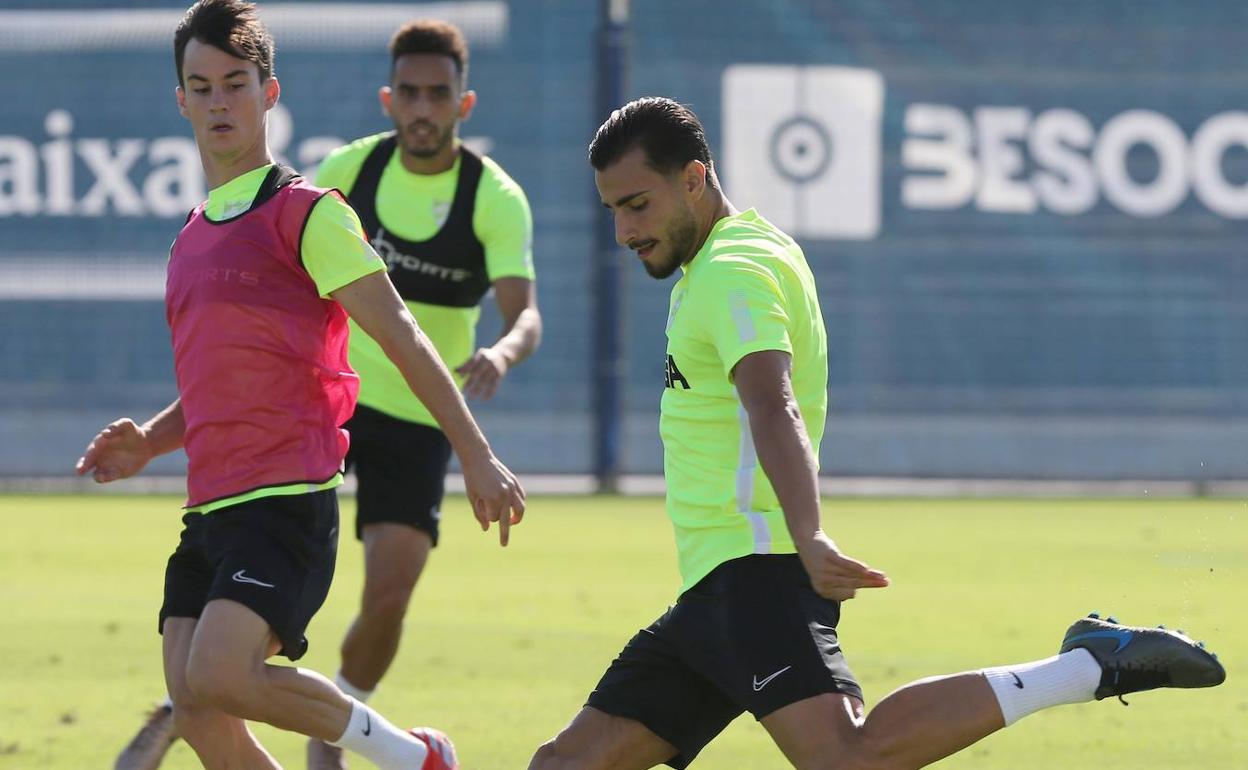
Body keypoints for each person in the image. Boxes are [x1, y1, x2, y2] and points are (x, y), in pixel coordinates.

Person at [526, 96, 1226, 770]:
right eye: (613, 209)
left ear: (694, 178)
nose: (623, 230)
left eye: (637, 204)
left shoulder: (731, 272)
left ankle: (1086, 667)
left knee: (846, 756)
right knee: (567, 764)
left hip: (757, 570)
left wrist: (807, 535)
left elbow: (774, 405)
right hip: (718, 586)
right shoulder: (735, 255)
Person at [78, 2, 524, 769]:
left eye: (237, 83)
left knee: (219, 671)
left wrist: (477, 454)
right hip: (209, 506)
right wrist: (151, 441)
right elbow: (223, 385)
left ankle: (412, 756)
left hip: (284, 502)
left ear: (270, 93)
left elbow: (403, 336)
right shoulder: (191, 236)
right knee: (197, 705)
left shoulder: (307, 216)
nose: (221, 101)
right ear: (180, 100)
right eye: (202, 86)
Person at [307, 19, 541, 769]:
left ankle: (339, 723)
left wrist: (502, 352)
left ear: (464, 104)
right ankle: (209, 690)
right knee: (274, 565)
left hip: (419, 416)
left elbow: (526, 313)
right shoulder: (348, 172)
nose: (422, 109)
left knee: (389, 599)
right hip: (329, 399)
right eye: (408, 93)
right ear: (387, 98)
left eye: (438, 94)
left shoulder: (493, 197)